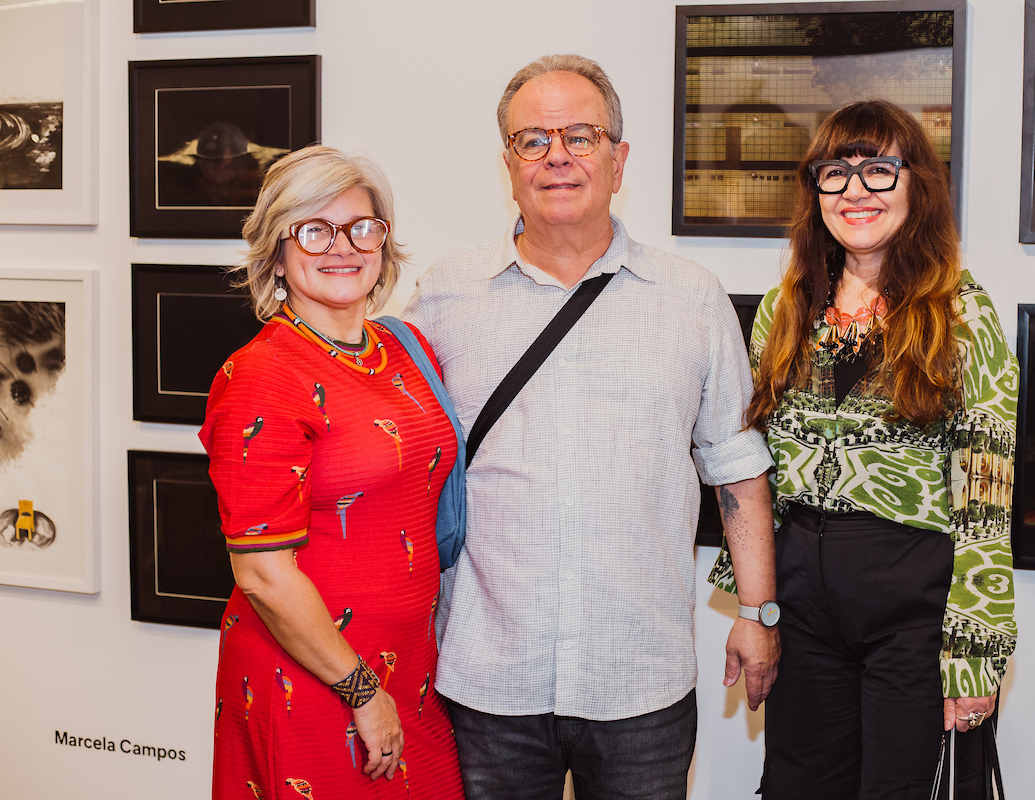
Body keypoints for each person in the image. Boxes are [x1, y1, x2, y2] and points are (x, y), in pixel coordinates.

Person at [403, 54, 779, 800]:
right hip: (488, 677)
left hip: (639, 679)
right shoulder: (442, 298)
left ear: (619, 158)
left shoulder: (692, 299)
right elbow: (402, 463)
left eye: (581, 135)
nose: (558, 158)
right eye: (532, 140)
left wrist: (758, 612)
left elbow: (736, 466)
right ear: (507, 161)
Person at [720, 100, 1018, 798]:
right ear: (814, 188)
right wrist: (753, 609)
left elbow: (985, 499)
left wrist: (975, 656)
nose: (855, 190)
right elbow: (753, 466)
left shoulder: (962, 314)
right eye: (836, 172)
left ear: (917, 186)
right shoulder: (783, 308)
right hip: (802, 601)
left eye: (879, 170)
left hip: (912, 607)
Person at [199, 145, 464, 800]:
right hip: (316, 683)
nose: (342, 246)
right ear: (276, 251)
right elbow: (262, 570)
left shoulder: (403, 348)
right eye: (314, 229)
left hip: (412, 673)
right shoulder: (262, 377)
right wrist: (362, 692)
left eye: (361, 226)